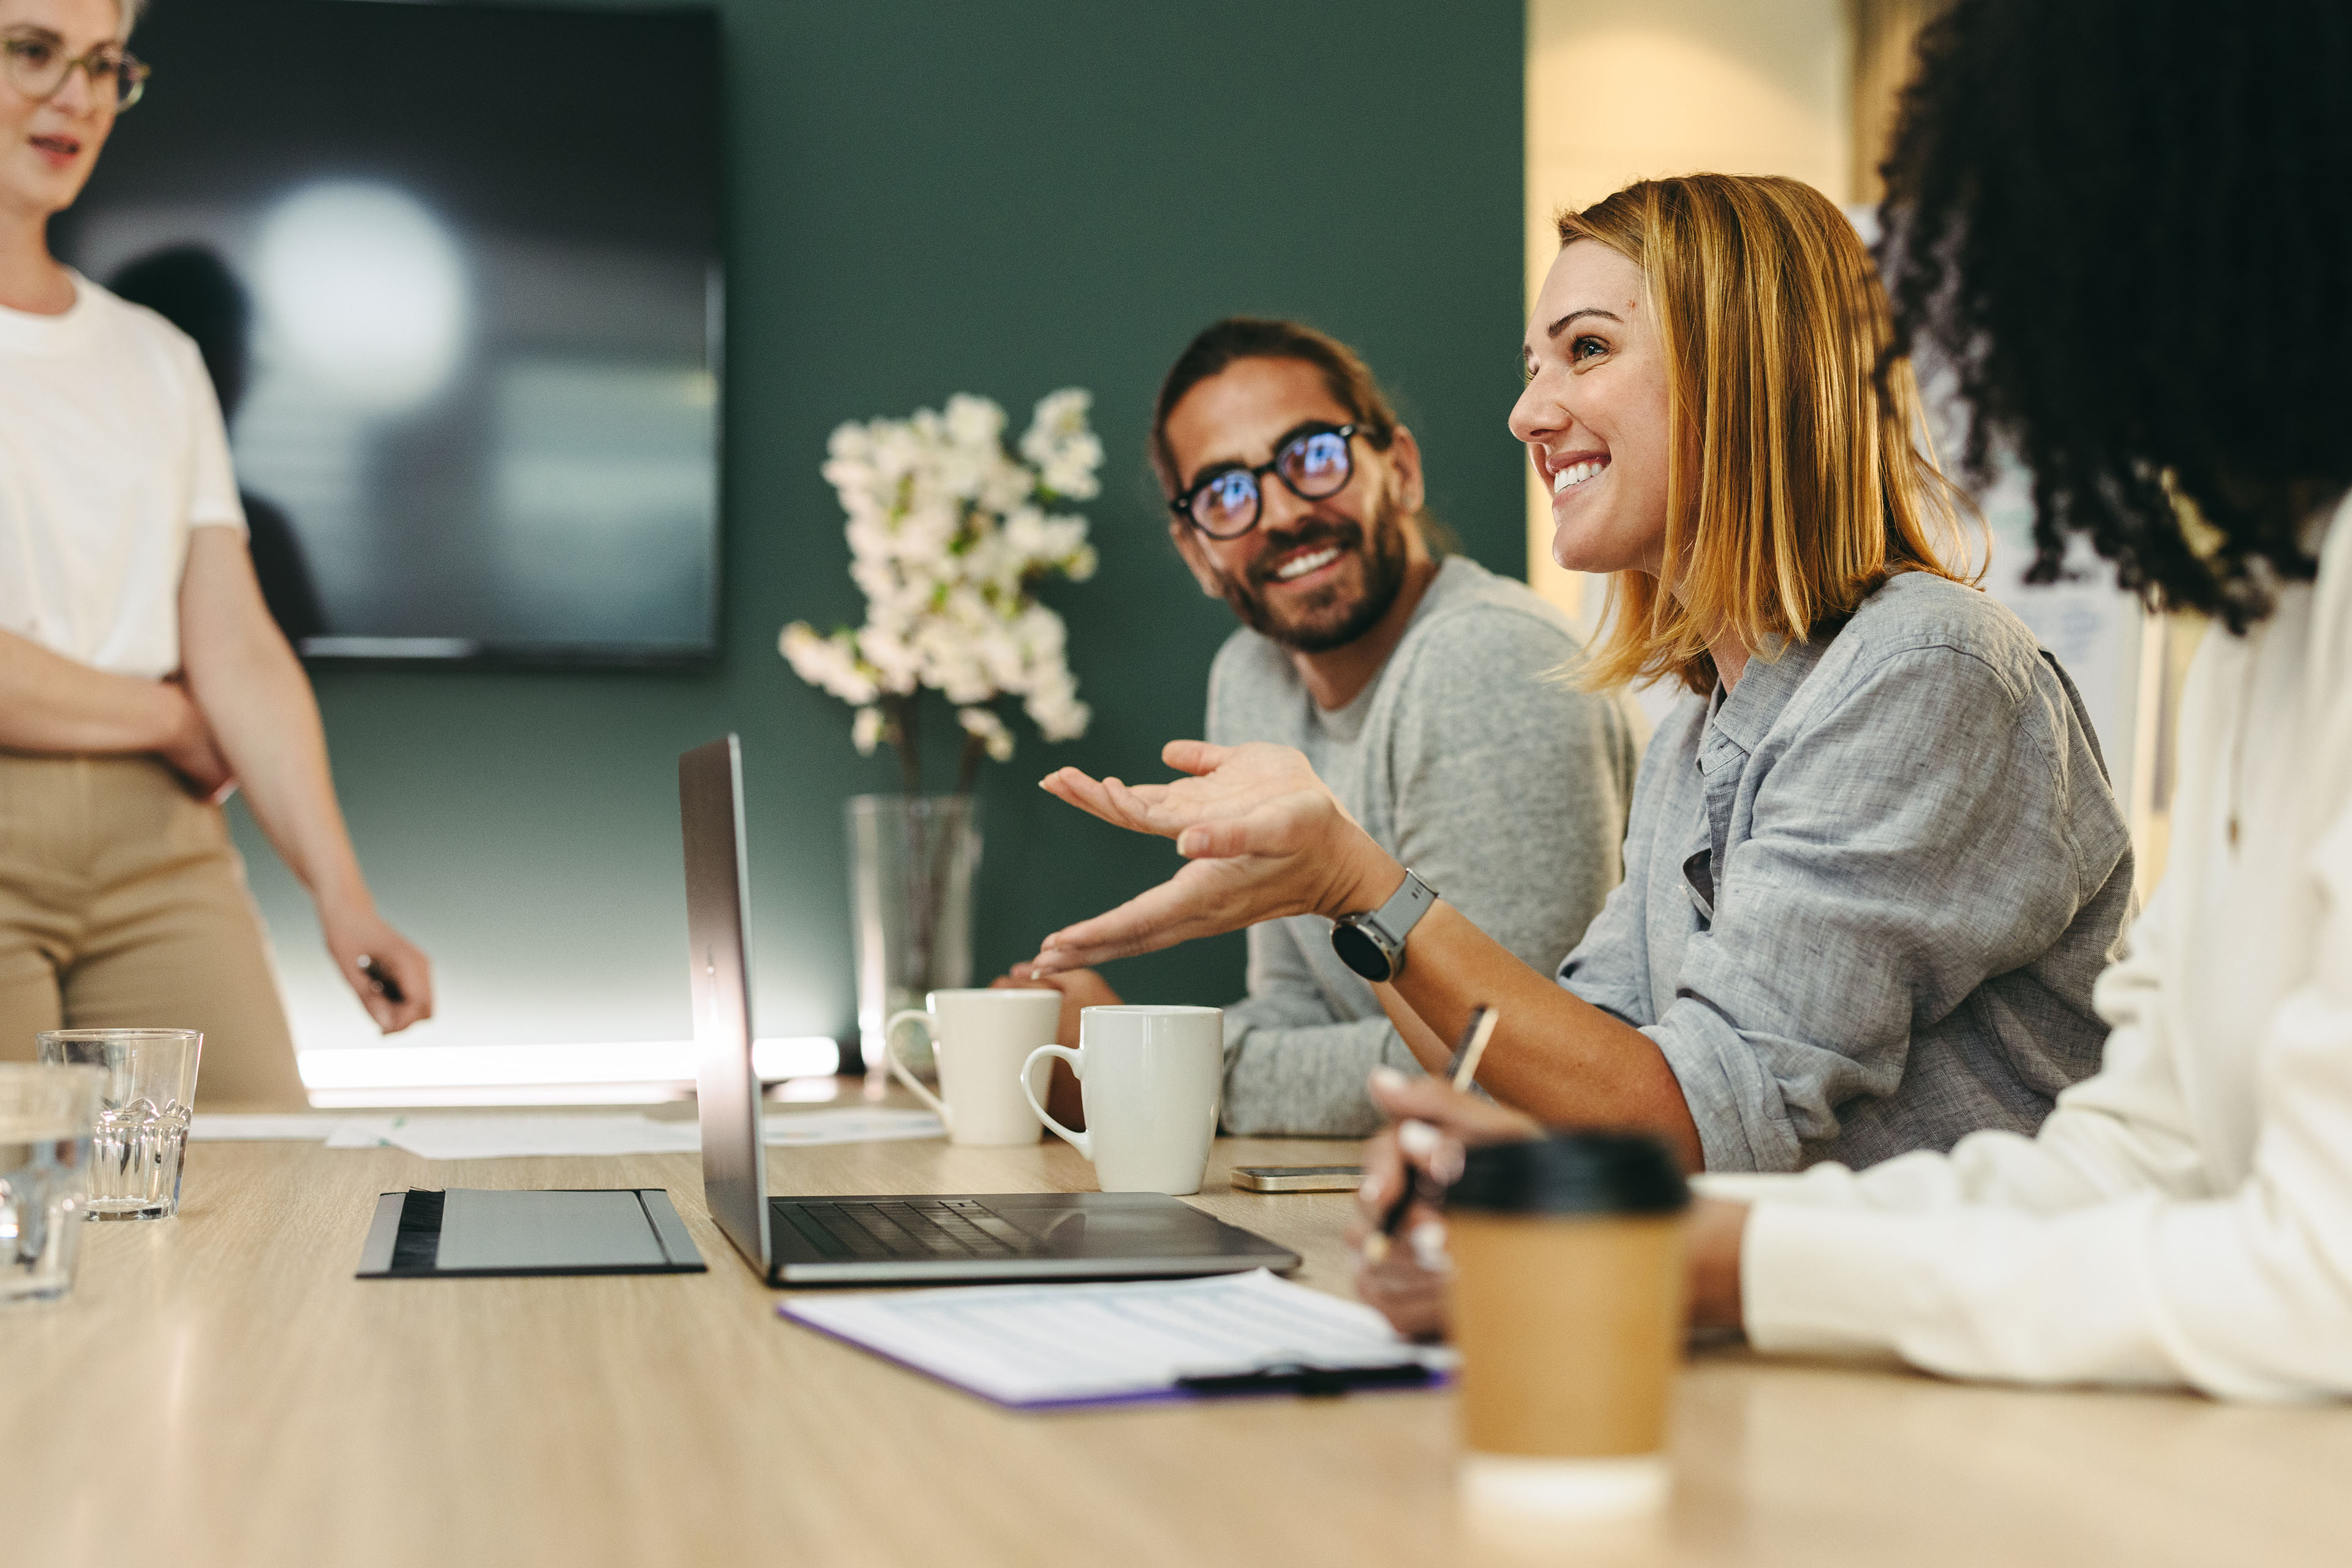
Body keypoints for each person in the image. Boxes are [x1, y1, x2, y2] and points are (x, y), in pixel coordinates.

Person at [1357, 0, 2352, 1401]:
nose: (2003, 332)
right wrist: (1625, 1221)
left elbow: (2320, 1283)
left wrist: (1718, 1259)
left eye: (1584, 351)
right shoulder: (2273, 611)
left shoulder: (1933, 664)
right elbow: (2136, 1158)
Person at [1027, 173, 2134, 1175]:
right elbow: (1562, 1071)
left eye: (1588, 350)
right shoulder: (1703, 730)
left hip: (1962, 1363)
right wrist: (1337, 901)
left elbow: (1696, 1120)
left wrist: (1354, 881)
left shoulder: (1924, 669)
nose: (1526, 414)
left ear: (1740, 366)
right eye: (1533, 367)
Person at [1003, 318, 1640, 1136]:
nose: (1279, 513)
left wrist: (1140, 1068)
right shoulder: (1252, 676)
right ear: (1198, 553)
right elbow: (1296, 1008)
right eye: (1227, 493)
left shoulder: (1489, 658)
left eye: (1311, 455)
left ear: (1400, 470)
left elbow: (1502, 1070)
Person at [0, 0, 431, 1106]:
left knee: (268, 1197)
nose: (77, 97)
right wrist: (169, 718)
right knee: (23, 1242)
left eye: (104, 66)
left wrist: (344, 896)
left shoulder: (157, 359)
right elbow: (194, 698)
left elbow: (233, 638)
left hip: (162, 848)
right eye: (32, 51)